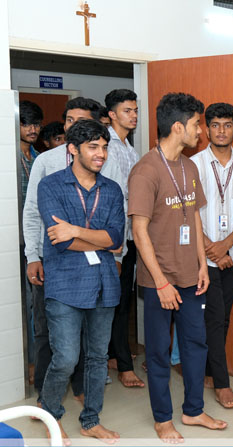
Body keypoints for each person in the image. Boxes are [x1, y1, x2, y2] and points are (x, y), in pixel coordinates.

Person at [129, 92, 227, 443]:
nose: (201, 131)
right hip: (160, 281)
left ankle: (193, 410)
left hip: (191, 276)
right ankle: (162, 419)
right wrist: (160, 282)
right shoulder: (146, 171)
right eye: (197, 124)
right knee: (158, 351)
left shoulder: (189, 167)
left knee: (196, 345)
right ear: (177, 127)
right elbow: (139, 231)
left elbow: (195, 217)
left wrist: (203, 264)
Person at [37, 119, 124, 443]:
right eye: (93, 147)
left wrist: (75, 230)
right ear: (72, 149)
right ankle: (50, 415)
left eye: (104, 147)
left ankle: (91, 420)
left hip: (104, 284)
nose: (101, 153)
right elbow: (59, 241)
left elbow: (116, 239)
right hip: (65, 284)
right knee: (66, 358)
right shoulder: (51, 186)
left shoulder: (111, 189)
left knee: (98, 358)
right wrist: (98, 240)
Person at [23, 97, 103, 406]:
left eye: (80, 122)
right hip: (52, 259)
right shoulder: (46, 161)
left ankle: (81, 388)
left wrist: (116, 255)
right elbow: (32, 212)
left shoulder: (100, 159)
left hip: (91, 258)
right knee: (47, 328)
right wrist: (33, 256)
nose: (72, 127)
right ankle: (45, 396)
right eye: (69, 120)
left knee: (86, 327)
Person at [191, 102, 233, 409]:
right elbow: (188, 213)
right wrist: (213, 250)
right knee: (215, 318)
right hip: (202, 259)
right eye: (215, 125)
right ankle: (222, 384)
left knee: (222, 318)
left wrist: (225, 246)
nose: (221, 131)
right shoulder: (193, 164)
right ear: (206, 130)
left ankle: (208, 371)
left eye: (227, 125)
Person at [102, 89, 144, 389]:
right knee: (115, 301)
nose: (133, 115)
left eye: (135, 110)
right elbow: (112, 197)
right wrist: (116, 248)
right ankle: (123, 366)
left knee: (122, 300)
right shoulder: (106, 146)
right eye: (127, 110)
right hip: (113, 238)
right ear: (112, 114)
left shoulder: (130, 148)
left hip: (130, 236)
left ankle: (115, 354)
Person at [19, 100, 43, 384]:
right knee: (24, 305)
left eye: (36, 124)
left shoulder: (40, 158)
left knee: (37, 305)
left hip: (37, 239)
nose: (32, 129)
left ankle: (38, 361)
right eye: (26, 123)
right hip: (15, 239)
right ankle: (27, 362)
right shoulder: (9, 157)